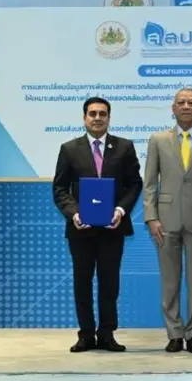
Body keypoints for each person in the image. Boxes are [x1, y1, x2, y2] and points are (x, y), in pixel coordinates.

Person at [53, 96, 143, 353]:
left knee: (109, 283)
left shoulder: (124, 147)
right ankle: (86, 334)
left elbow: (134, 184)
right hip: (80, 229)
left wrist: (120, 210)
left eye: (102, 114)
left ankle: (106, 334)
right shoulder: (69, 149)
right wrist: (74, 213)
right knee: (82, 282)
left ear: (109, 118)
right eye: (92, 113)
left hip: (112, 228)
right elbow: (60, 188)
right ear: (84, 118)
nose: (97, 118)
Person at [143, 88, 192, 353]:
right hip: (165, 222)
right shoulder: (157, 140)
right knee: (170, 281)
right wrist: (151, 217)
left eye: (191, 102)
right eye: (181, 102)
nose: (186, 106)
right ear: (173, 108)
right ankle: (175, 333)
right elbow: (150, 183)